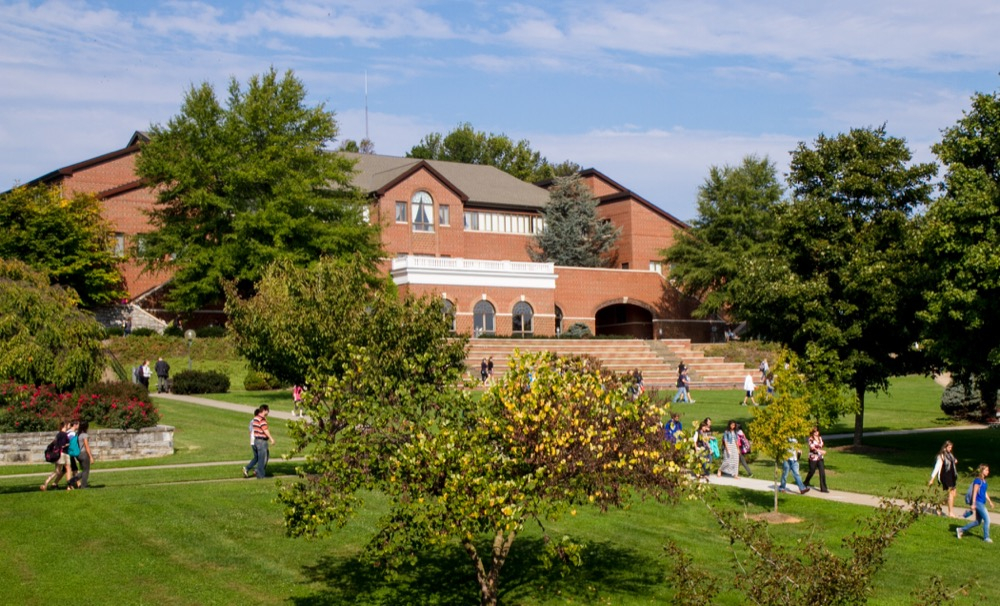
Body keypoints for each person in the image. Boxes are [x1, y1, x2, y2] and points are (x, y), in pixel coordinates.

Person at [957, 464, 994, 542]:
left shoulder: (984, 481)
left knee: (978, 522)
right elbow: (974, 492)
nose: (988, 471)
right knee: (987, 520)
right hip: (978, 503)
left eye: (988, 470)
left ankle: (961, 530)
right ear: (981, 471)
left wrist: (990, 501)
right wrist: (973, 503)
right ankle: (986, 537)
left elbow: (984, 492)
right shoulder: (978, 480)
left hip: (981, 502)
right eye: (986, 470)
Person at [929, 440, 959, 517]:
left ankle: (939, 506)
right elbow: (937, 467)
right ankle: (950, 512)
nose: (950, 449)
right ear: (945, 447)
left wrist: (955, 461)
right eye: (949, 447)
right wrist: (932, 479)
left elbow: (953, 461)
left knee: (953, 494)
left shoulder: (950, 455)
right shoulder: (941, 456)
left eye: (951, 447)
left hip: (952, 476)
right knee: (951, 494)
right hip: (945, 476)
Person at [40, 421, 72, 491]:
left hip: (58, 454)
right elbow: (63, 445)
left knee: (57, 471)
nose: (70, 426)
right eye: (69, 424)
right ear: (65, 426)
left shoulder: (58, 434)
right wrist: (69, 444)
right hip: (64, 453)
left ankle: (46, 482)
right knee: (68, 468)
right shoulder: (64, 434)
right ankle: (69, 486)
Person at [250, 405, 275, 479]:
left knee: (263, 457)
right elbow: (265, 430)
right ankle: (260, 475)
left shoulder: (255, 418)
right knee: (262, 458)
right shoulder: (262, 419)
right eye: (268, 410)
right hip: (262, 440)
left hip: (256, 440)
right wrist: (271, 439)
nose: (268, 412)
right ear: (264, 410)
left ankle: (258, 471)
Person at [803, 426, 829, 493]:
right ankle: (805, 482)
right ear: (812, 432)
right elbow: (812, 448)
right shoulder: (810, 439)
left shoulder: (820, 438)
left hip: (820, 458)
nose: (816, 433)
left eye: (817, 431)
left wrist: (821, 451)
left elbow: (821, 445)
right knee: (812, 471)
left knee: (822, 472)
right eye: (814, 432)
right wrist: (820, 451)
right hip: (813, 457)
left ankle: (823, 488)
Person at [69, 421, 94, 489]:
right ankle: (83, 485)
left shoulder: (77, 434)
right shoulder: (84, 435)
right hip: (83, 454)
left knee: (84, 470)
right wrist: (91, 457)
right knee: (86, 470)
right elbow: (86, 446)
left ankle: (72, 481)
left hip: (78, 454)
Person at [243, 408, 260, 478]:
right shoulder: (258, 421)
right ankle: (255, 470)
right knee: (262, 457)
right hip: (258, 441)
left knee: (257, 457)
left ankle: (248, 469)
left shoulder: (251, 421)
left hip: (252, 441)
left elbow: (250, 432)